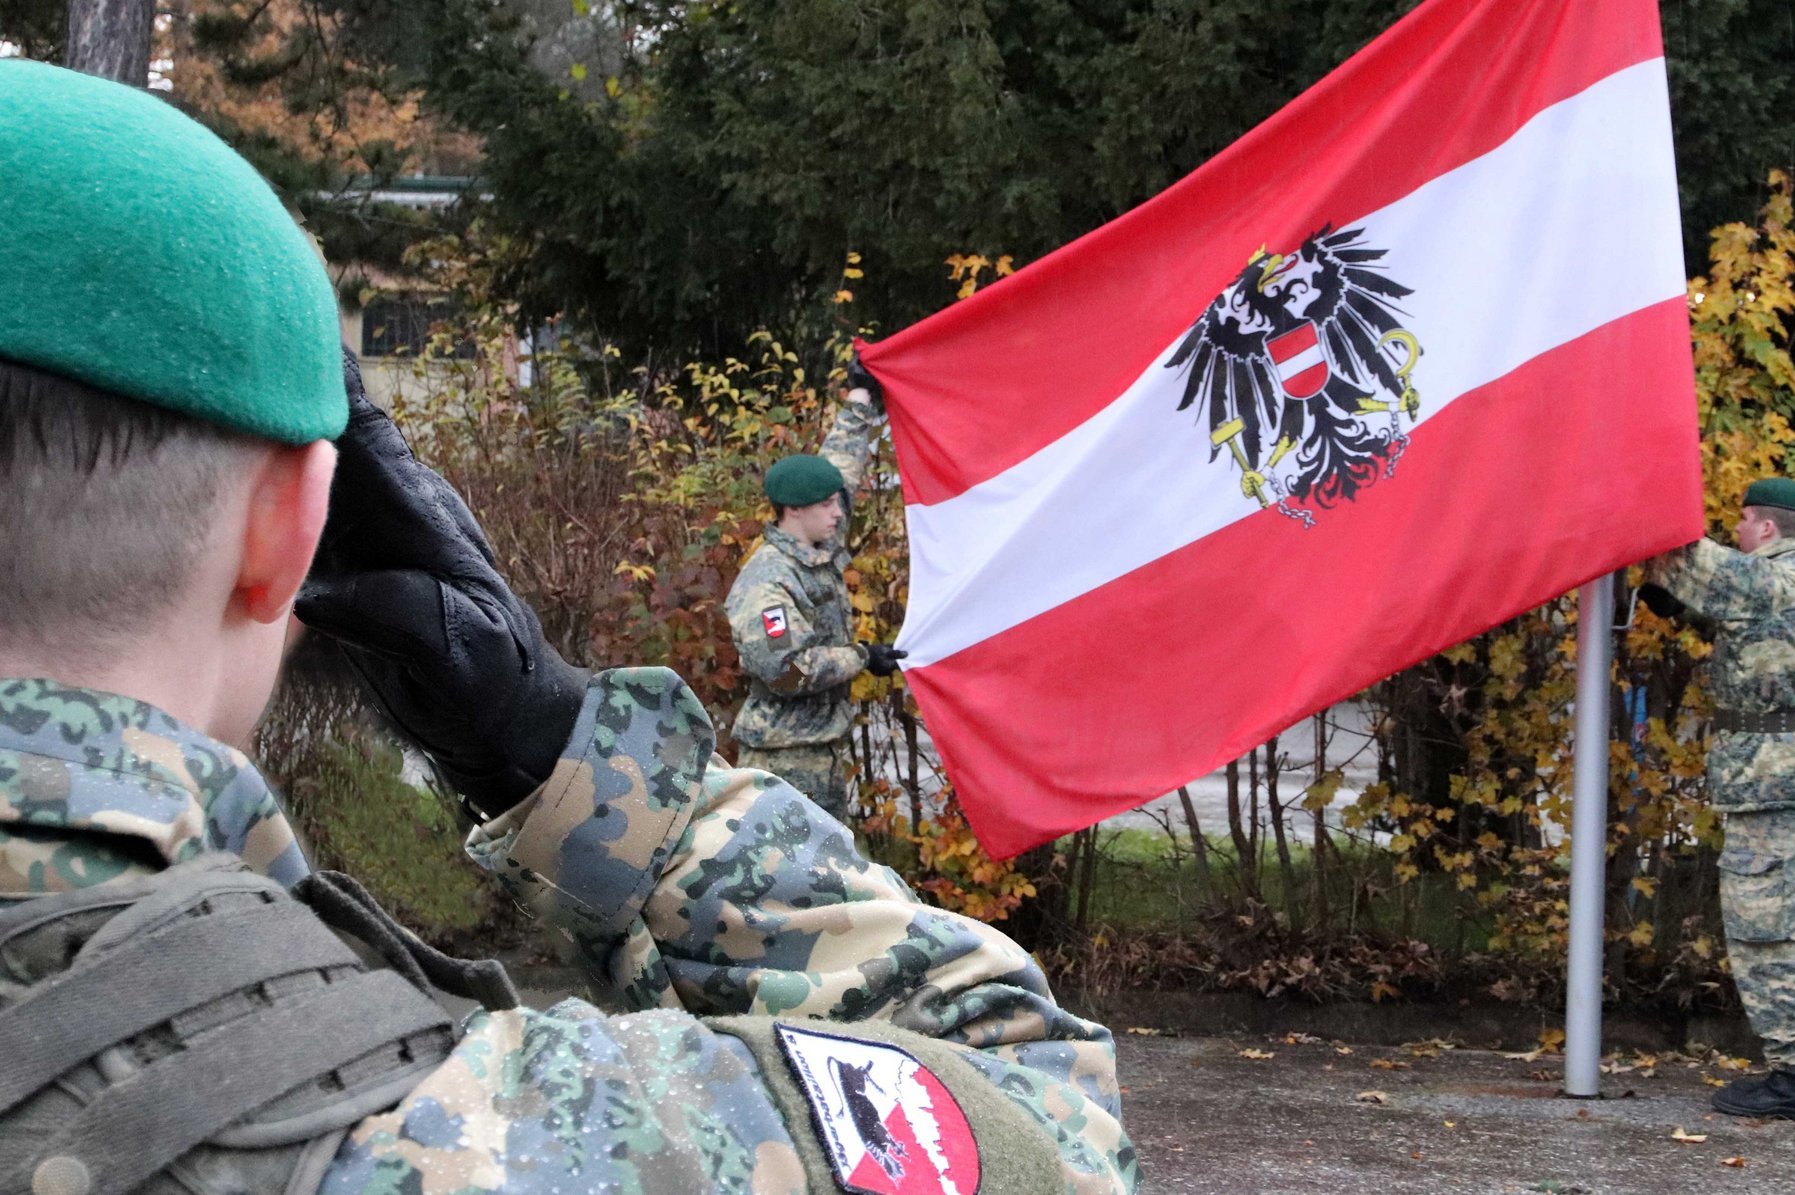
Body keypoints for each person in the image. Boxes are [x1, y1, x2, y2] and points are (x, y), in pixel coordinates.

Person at [0, 60, 1136, 1194]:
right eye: (827, 498)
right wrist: (548, 738)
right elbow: (1047, 1126)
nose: (836, 509)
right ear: (291, 529)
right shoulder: (485, 1139)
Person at [1644, 477, 1795, 1122]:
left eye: (1740, 524)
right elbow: (1731, 605)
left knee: (1768, 929)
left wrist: (1637, 501)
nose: (1734, 533)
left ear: (1764, 528)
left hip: (1776, 778)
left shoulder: (1778, 581)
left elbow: (1680, 549)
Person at [724, 374, 906, 822]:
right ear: (794, 509)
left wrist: (862, 394)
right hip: (782, 765)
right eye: (828, 505)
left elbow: (841, 463)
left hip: (819, 755)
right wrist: (861, 657)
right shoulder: (768, 582)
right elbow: (787, 670)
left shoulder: (816, 545)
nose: (839, 511)